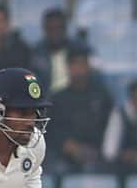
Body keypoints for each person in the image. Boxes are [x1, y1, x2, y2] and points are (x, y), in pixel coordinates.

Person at [46, 44, 114, 173]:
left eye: (82, 64)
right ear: (68, 67)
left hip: (97, 153)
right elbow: (52, 131)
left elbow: (110, 128)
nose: (79, 69)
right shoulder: (58, 98)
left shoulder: (102, 96)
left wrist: (95, 149)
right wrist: (69, 147)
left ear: (88, 66)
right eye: (74, 64)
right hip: (65, 156)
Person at [29, 8, 81, 94]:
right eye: (51, 29)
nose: (55, 33)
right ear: (45, 29)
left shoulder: (78, 51)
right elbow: (30, 82)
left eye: (58, 28)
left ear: (65, 28)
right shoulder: (36, 54)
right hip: (44, 102)